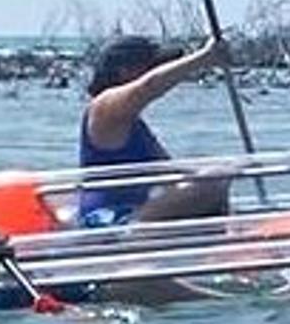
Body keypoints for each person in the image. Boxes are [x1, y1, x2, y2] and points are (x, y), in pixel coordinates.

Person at [79, 35, 232, 227]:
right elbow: (149, 86)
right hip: (109, 218)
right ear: (124, 72)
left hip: (134, 210)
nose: (158, 69)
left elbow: (170, 172)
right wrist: (204, 58)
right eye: (152, 66)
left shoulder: (134, 124)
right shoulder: (104, 106)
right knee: (213, 181)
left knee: (215, 177)